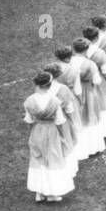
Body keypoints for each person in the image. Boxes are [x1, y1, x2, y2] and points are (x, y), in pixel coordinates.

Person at [23, 72, 75, 203]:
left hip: (36, 131)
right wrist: (64, 137)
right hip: (51, 132)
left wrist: (34, 133)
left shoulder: (29, 101)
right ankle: (52, 194)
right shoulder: (54, 101)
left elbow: (29, 120)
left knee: (37, 159)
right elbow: (59, 121)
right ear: (49, 85)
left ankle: (39, 193)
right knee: (53, 160)